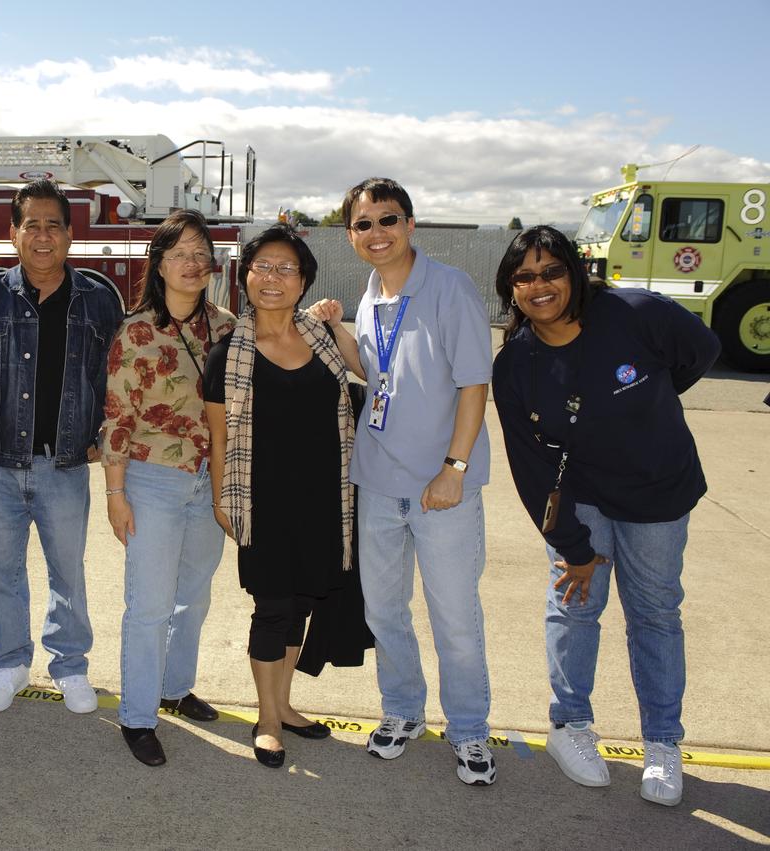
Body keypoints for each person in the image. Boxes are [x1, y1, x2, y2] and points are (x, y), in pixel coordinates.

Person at [492, 225, 719, 807]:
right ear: (510, 288)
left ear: (574, 271)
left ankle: (663, 742)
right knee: (574, 608)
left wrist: (650, 403)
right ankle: (569, 725)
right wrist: (573, 546)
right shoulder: (516, 362)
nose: (540, 285)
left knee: (655, 614)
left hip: (657, 495)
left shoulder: (636, 313)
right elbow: (530, 468)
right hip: (581, 499)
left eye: (551, 271)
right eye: (525, 276)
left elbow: (700, 351)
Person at [0, 179, 123, 715]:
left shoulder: (98, 299)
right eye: (32, 225)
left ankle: (70, 666)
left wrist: (103, 435)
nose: (43, 236)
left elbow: (114, 376)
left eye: (53, 226)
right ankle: (9, 664)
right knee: (0, 572)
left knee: (68, 572)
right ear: (13, 233)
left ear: (70, 234)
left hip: (65, 465)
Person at [342, 177, 497, 786]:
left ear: (410, 225)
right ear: (351, 235)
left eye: (388, 220)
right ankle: (403, 709)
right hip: (379, 483)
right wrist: (335, 331)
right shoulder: (369, 298)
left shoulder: (450, 288)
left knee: (454, 615)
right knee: (385, 611)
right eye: (363, 224)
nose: (376, 233)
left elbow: (473, 385)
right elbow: (376, 373)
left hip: (441, 489)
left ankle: (469, 728)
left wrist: (454, 470)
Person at [203, 224, 367, 769]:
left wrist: (337, 324)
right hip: (262, 501)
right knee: (272, 607)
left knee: (303, 603)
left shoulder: (323, 339)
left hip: (325, 499)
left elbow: (369, 374)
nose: (273, 278)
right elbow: (219, 438)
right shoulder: (228, 353)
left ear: (303, 282)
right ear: (246, 277)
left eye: (286, 268)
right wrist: (221, 500)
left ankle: (285, 704)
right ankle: (267, 718)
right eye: (263, 267)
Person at [100, 209, 236, 766]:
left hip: (210, 479)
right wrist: (115, 494)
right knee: (150, 604)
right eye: (180, 253)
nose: (192, 263)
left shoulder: (227, 326)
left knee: (194, 596)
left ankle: (175, 687)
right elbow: (117, 417)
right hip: (152, 479)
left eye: (201, 254)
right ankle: (137, 716)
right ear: (159, 264)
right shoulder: (135, 331)